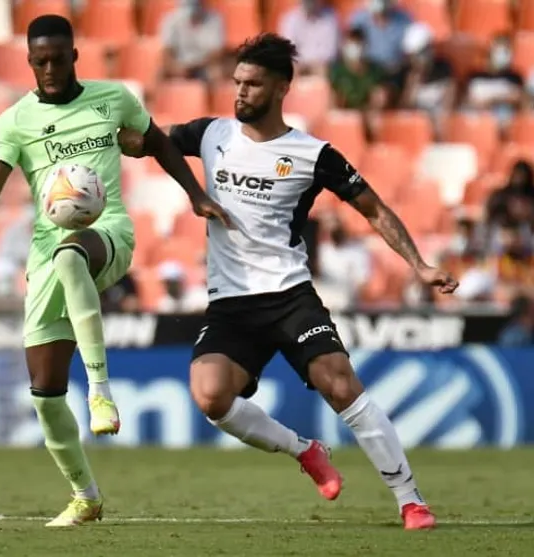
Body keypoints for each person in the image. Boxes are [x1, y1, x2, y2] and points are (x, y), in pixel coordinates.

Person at [119, 33, 459, 530]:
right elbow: (147, 141)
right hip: (231, 303)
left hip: (289, 296)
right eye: (237, 82)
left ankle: (411, 500)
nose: (240, 92)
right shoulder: (211, 133)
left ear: (281, 88)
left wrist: (419, 265)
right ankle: (305, 451)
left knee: (339, 384)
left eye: (253, 84)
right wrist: (115, 131)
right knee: (210, 396)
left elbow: (374, 209)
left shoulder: (312, 154)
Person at [0, 15, 230, 527]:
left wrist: (196, 195)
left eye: (58, 59)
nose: (50, 69)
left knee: (72, 254)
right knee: (45, 391)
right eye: (40, 62)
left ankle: (100, 390)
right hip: (46, 254)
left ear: (74, 56)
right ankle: (85, 496)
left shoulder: (112, 98)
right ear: (30, 63)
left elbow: (160, 142)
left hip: (107, 233)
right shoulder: (13, 122)